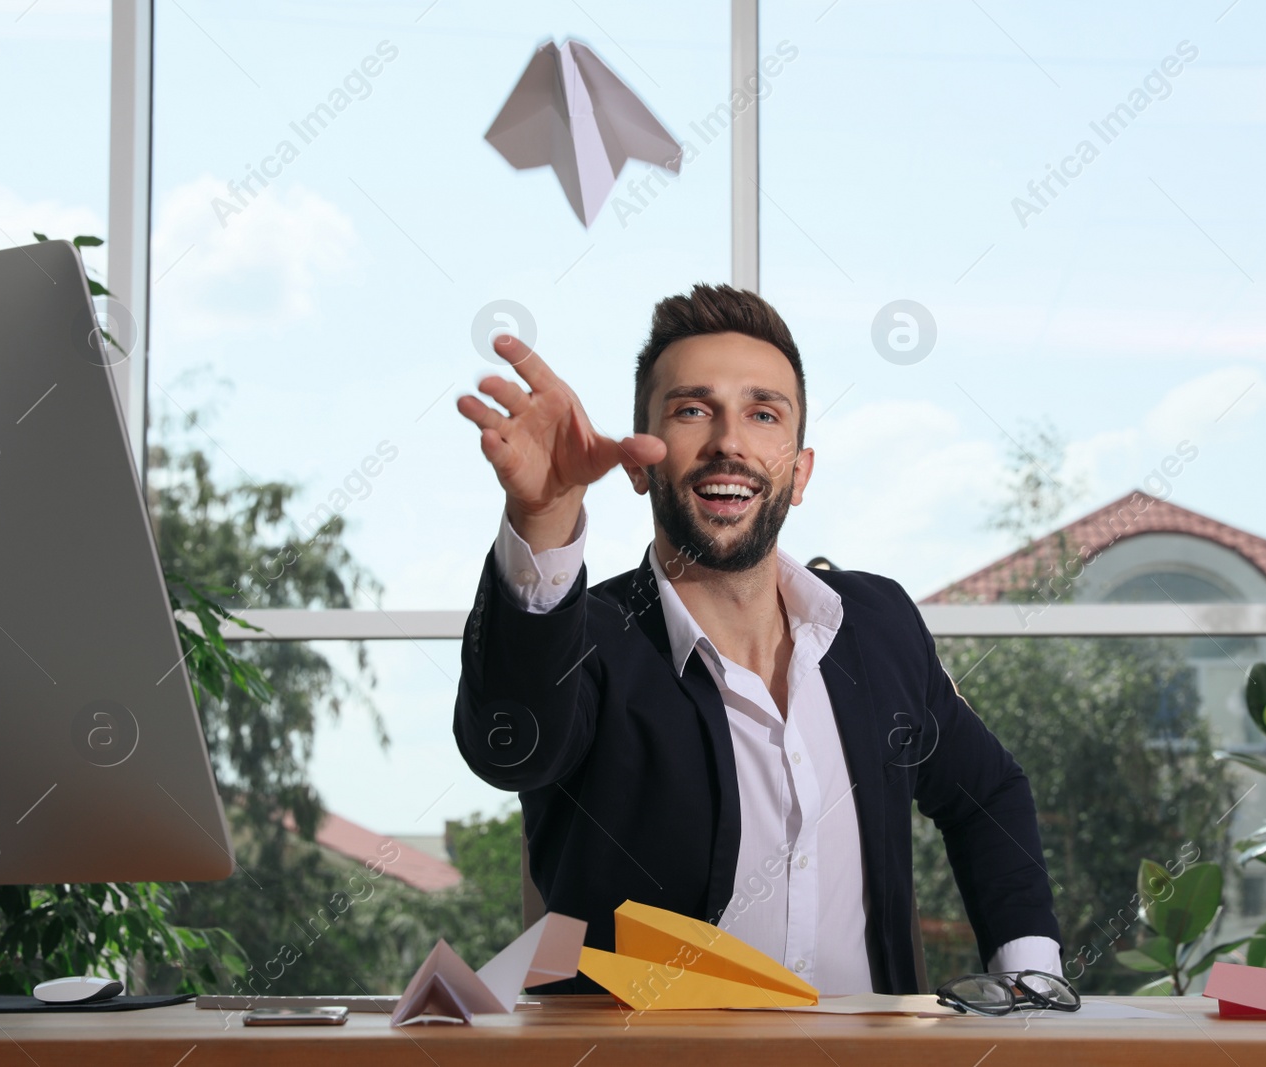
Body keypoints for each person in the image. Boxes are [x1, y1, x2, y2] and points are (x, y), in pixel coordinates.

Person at [453, 283, 1061, 995]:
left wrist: (1030, 981)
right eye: (691, 410)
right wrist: (544, 516)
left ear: (798, 472)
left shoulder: (879, 625)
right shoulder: (584, 639)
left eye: (763, 413)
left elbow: (985, 790)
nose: (728, 442)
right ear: (641, 463)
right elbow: (508, 747)